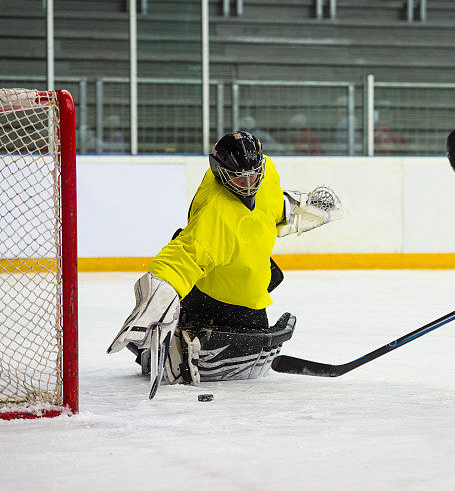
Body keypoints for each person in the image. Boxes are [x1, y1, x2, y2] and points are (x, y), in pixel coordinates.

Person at [107, 131, 342, 391]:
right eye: (239, 178)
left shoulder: (267, 171)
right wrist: (160, 289)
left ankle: (186, 325)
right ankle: (178, 341)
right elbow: (183, 255)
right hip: (216, 295)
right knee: (243, 356)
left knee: (272, 274)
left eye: (254, 175)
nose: (250, 184)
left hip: (242, 274)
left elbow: (270, 204)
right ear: (219, 172)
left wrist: (292, 208)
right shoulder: (215, 212)